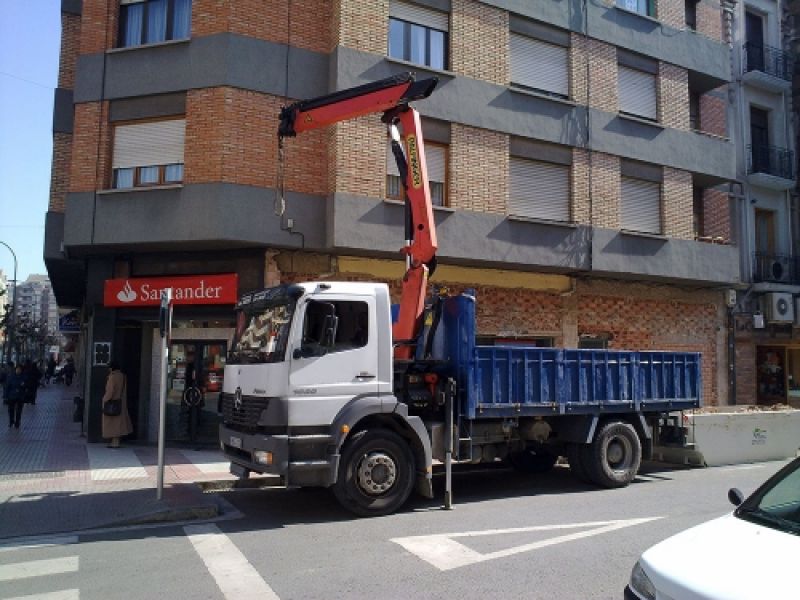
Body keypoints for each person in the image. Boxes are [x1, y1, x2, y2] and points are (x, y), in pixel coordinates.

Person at [102, 361, 133, 448]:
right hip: (120, 402)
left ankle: (114, 443)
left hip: (112, 403)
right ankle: (116, 442)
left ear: (111, 368)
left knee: (111, 423)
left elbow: (110, 391)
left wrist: (105, 400)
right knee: (119, 424)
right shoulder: (123, 376)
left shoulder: (112, 377)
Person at [4, 364, 26, 429]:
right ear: (15, 369)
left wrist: (24, 385)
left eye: (20, 369)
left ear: (21, 370)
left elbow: (26, 386)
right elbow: (7, 387)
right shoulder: (11, 377)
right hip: (12, 396)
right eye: (17, 369)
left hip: (20, 396)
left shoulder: (23, 377)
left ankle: (17, 422)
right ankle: (11, 421)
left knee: (19, 411)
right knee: (11, 410)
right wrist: (5, 396)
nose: (18, 370)